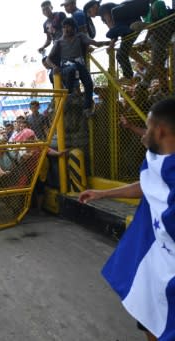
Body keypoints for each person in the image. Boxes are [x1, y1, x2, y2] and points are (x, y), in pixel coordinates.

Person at [78, 98, 175, 341]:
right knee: (150, 317)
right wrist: (103, 193)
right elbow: (148, 186)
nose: (143, 136)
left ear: (160, 131)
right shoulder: (159, 160)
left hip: (168, 268)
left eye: (147, 128)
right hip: (153, 265)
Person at [45, 18, 109, 117]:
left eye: (68, 26)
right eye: (64, 27)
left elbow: (93, 42)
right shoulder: (59, 42)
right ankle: (69, 92)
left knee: (89, 84)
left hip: (80, 64)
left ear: (74, 28)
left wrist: (106, 43)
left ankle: (87, 108)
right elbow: (48, 59)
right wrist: (54, 67)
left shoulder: (80, 36)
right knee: (72, 68)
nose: (66, 29)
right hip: (67, 67)